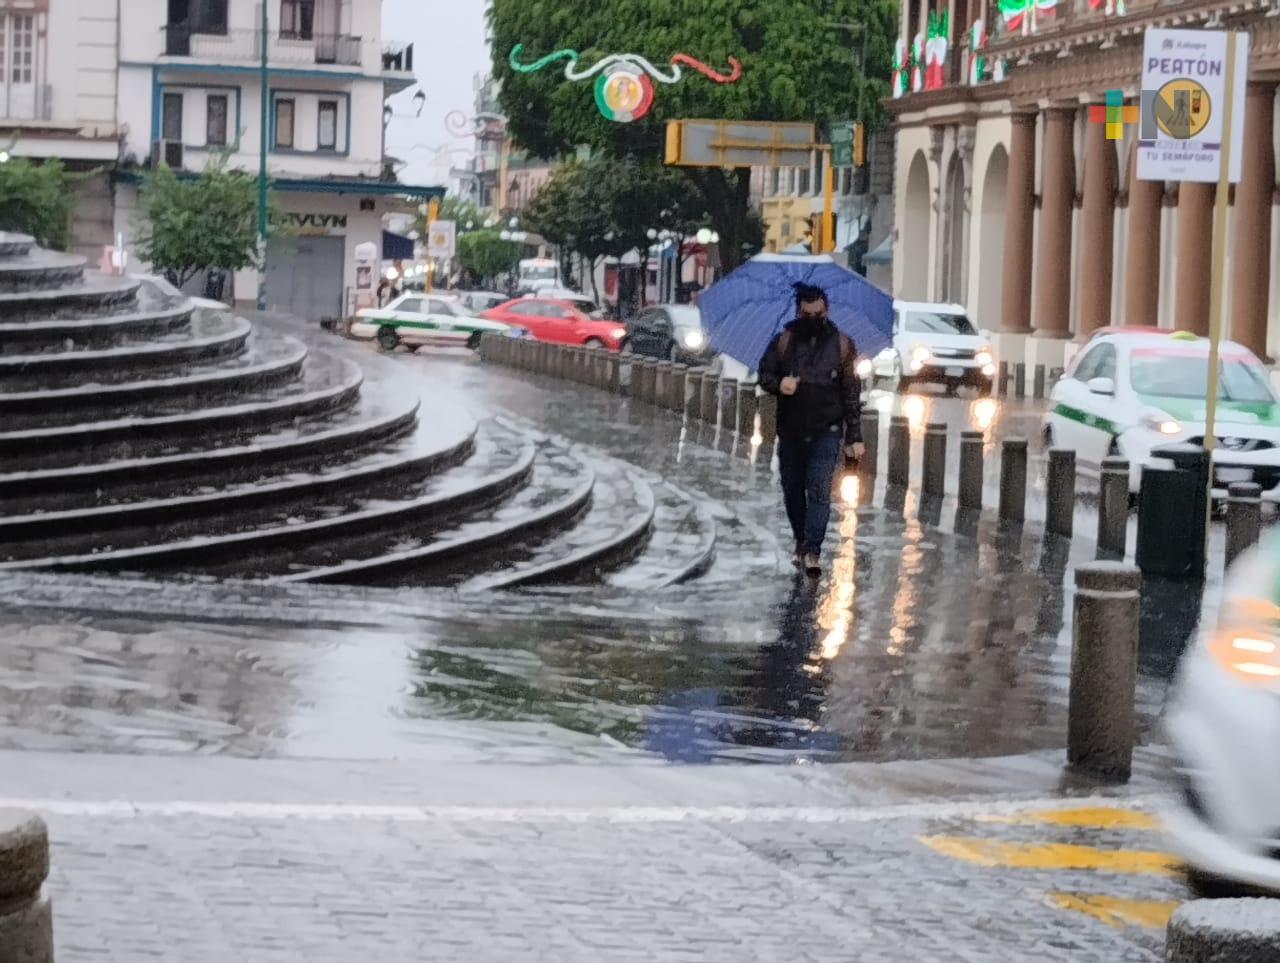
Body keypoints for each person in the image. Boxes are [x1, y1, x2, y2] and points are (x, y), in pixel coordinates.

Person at [758, 283, 864, 576]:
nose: (812, 318)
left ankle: (813, 550)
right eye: (806, 313)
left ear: (826, 311)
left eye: (817, 313)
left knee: (818, 491)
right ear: (798, 311)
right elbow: (764, 373)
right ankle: (801, 540)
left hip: (826, 430)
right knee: (792, 490)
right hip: (791, 430)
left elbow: (851, 391)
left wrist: (854, 435)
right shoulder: (784, 341)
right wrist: (779, 384)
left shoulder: (842, 344)